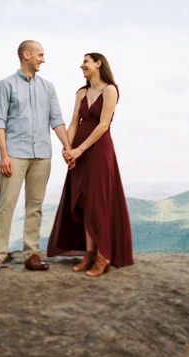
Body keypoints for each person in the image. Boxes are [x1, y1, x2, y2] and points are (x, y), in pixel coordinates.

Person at [0, 40, 70, 273]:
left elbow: (57, 119)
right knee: (6, 205)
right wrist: (4, 155)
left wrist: (67, 147)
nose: (43, 59)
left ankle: (32, 255)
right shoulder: (6, 85)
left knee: (35, 206)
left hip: (42, 154)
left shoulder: (48, 87)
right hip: (15, 154)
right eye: (40, 55)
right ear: (26, 55)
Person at [47, 53, 134, 276]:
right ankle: (90, 252)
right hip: (78, 151)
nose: (81, 66)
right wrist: (67, 148)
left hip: (98, 150)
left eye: (85, 62)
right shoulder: (81, 92)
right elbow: (74, 122)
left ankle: (103, 255)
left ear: (98, 64)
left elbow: (103, 125)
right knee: (82, 200)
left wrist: (80, 149)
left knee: (97, 201)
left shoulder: (110, 90)